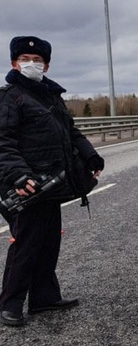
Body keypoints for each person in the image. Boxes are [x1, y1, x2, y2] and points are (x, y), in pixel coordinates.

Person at [0, 36, 104, 327]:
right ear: (13, 63)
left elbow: (71, 133)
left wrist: (91, 157)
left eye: (37, 60)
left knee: (48, 243)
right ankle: (10, 303)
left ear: (46, 65)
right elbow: (3, 143)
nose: (31, 64)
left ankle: (44, 297)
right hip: (25, 187)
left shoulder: (51, 97)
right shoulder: (10, 98)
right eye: (24, 59)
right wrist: (17, 176)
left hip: (50, 184)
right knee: (27, 244)